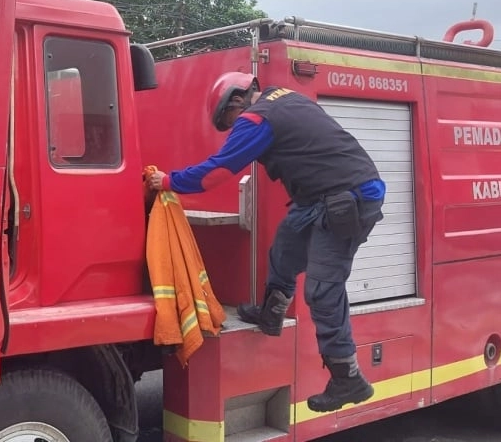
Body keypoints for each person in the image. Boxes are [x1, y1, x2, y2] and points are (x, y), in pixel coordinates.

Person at [147, 71, 385, 413]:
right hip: (320, 197)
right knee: (286, 247)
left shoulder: (257, 118)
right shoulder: (286, 99)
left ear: (237, 100)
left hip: (348, 198)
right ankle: (271, 313)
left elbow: (217, 172)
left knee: (321, 288)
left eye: (228, 119)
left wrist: (168, 180)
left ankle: (347, 377)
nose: (233, 126)